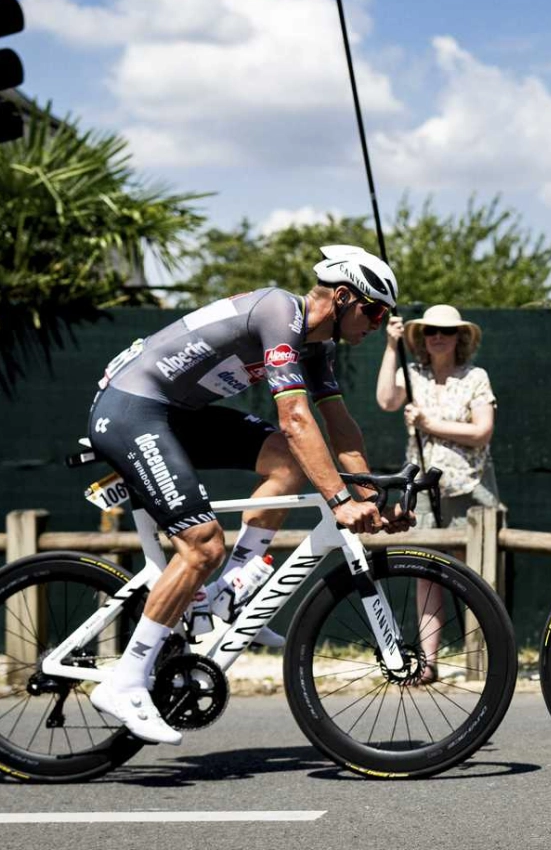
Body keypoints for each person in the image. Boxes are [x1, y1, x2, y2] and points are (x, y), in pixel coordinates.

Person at [85, 244, 410, 745]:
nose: (377, 321)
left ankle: (233, 588)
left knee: (283, 460)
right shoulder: (280, 312)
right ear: (343, 298)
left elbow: (341, 430)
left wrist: (372, 499)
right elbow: (296, 418)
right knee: (202, 544)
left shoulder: (317, 347)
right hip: (132, 407)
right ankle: (124, 680)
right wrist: (341, 504)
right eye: (374, 309)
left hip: (175, 413)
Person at [375, 303, 499, 684]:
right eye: (431, 331)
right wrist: (391, 346)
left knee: (478, 576)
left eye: (446, 331)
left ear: (459, 337)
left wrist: (432, 423)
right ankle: (429, 663)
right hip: (424, 491)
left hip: (470, 487)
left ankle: (483, 661)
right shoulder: (411, 374)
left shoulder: (475, 376)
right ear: (422, 338)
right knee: (426, 573)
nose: (438, 337)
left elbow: (482, 431)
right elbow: (385, 401)